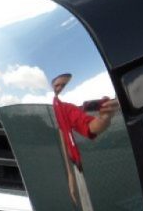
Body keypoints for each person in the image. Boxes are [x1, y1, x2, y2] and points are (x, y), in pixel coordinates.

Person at [50, 73, 119, 202]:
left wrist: (104, 118)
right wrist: (70, 174)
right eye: (57, 86)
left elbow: (90, 127)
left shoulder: (67, 106)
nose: (60, 89)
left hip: (93, 161)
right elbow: (63, 132)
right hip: (77, 162)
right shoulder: (58, 105)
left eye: (64, 85)